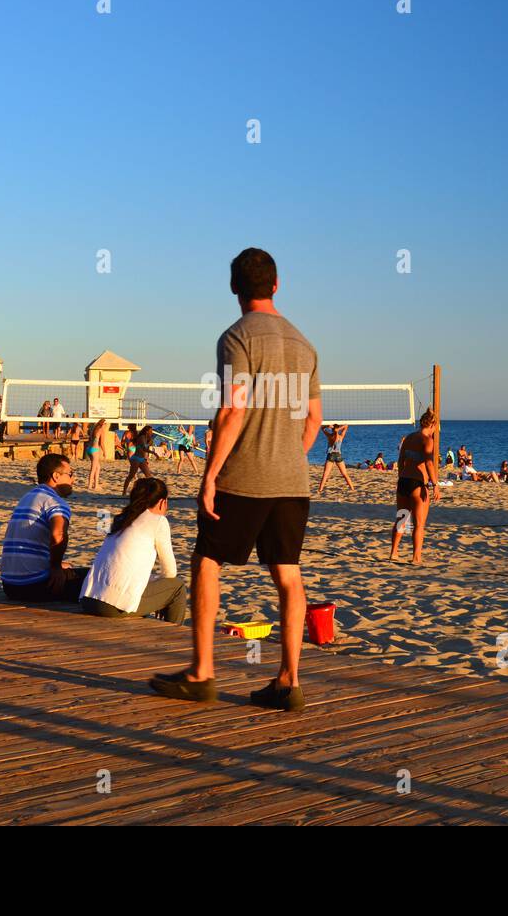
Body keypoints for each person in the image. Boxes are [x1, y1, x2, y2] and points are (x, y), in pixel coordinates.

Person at [150, 247, 322, 712]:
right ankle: (288, 680)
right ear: (277, 284)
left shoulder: (237, 337)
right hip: (293, 481)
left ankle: (202, 671)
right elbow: (314, 421)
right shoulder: (305, 346)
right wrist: (288, 456)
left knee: (207, 560)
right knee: (288, 575)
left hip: (244, 475)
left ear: (234, 288)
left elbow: (233, 409)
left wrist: (210, 475)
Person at [80, 477, 187, 624]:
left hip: (88, 599)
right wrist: (159, 587)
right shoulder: (158, 521)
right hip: (113, 605)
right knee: (177, 587)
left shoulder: (122, 518)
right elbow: (170, 572)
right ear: (163, 502)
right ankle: (171, 638)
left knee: (150, 588)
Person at [0, 453, 88, 602]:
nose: (73, 479)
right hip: (35, 585)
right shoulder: (54, 502)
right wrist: (55, 568)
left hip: (10, 586)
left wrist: (56, 564)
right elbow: (58, 535)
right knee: (96, 578)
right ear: (56, 476)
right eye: (70, 474)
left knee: (71, 571)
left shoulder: (27, 498)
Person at [389, 408, 441, 564]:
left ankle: (393, 553)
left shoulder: (410, 438)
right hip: (417, 483)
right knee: (419, 524)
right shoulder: (427, 440)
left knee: (401, 519)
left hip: (403, 481)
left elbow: (400, 461)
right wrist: (435, 484)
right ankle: (416, 557)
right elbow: (429, 463)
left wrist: (402, 476)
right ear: (432, 425)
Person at [317, 423, 355, 493]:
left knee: (325, 474)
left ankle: (320, 490)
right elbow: (346, 426)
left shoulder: (329, 436)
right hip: (338, 455)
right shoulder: (340, 437)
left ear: (332, 429)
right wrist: (337, 429)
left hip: (330, 455)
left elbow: (322, 428)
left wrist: (328, 426)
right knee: (345, 474)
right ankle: (352, 488)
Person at [122, 423, 153, 495]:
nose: (152, 432)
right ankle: (124, 491)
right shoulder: (141, 437)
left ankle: (149, 492)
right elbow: (144, 448)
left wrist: (146, 459)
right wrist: (155, 454)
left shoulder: (146, 438)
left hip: (142, 459)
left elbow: (144, 450)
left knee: (149, 476)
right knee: (131, 475)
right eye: (151, 431)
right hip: (136, 458)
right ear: (147, 431)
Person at [86, 418, 108, 491]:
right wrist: (105, 452)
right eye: (106, 424)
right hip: (94, 450)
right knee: (93, 468)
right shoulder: (102, 430)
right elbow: (102, 443)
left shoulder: (94, 429)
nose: (106, 426)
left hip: (89, 448)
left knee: (98, 467)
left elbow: (90, 439)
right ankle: (90, 485)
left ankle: (96, 485)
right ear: (103, 424)